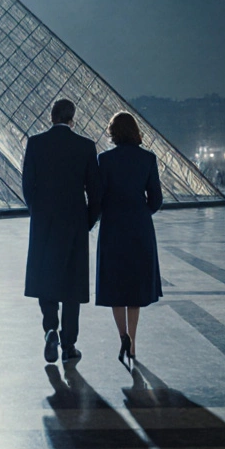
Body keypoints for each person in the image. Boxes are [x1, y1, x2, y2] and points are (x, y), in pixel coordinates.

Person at [22, 99, 102, 364]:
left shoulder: (35, 143)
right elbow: (95, 193)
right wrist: (87, 221)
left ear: (51, 117)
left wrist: (39, 214)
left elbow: (27, 187)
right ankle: (69, 344)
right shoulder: (86, 146)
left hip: (44, 224)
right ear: (72, 119)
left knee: (46, 280)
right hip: (74, 224)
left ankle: (50, 330)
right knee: (71, 286)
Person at [94, 112, 163, 366]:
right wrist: (141, 211)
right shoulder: (148, 159)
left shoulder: (105, 160)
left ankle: (121, 335)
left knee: (115, 287)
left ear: (113, 133)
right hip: (139, 229)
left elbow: (98, 199)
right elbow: (156, 199)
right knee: (135, 289)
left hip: (113, 228)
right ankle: (132, 343)